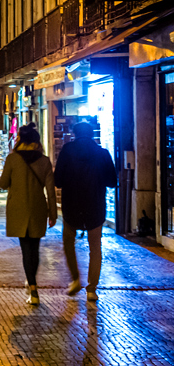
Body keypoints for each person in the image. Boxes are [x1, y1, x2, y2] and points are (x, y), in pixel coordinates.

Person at [54, 122, 118, 302]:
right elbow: (112, 181)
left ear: (74, 134)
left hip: (71, 204)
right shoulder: (102, 153)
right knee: (95, 246)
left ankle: (75, 279)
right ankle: (92, 288)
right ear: (92, 134)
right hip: (95, 204)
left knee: (68, 241)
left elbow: (57, 180)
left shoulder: (67, 151)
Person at [0, 124, 57, 305]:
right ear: (36, 142)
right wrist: (53, 213)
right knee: (35, 248)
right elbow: (50, 191)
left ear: (20, 141)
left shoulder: (12, 159)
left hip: (18, 209)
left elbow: (2, 183)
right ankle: (32, 283)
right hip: (38, 208)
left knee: (26, 249)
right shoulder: (45, 161)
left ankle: (33, 288)